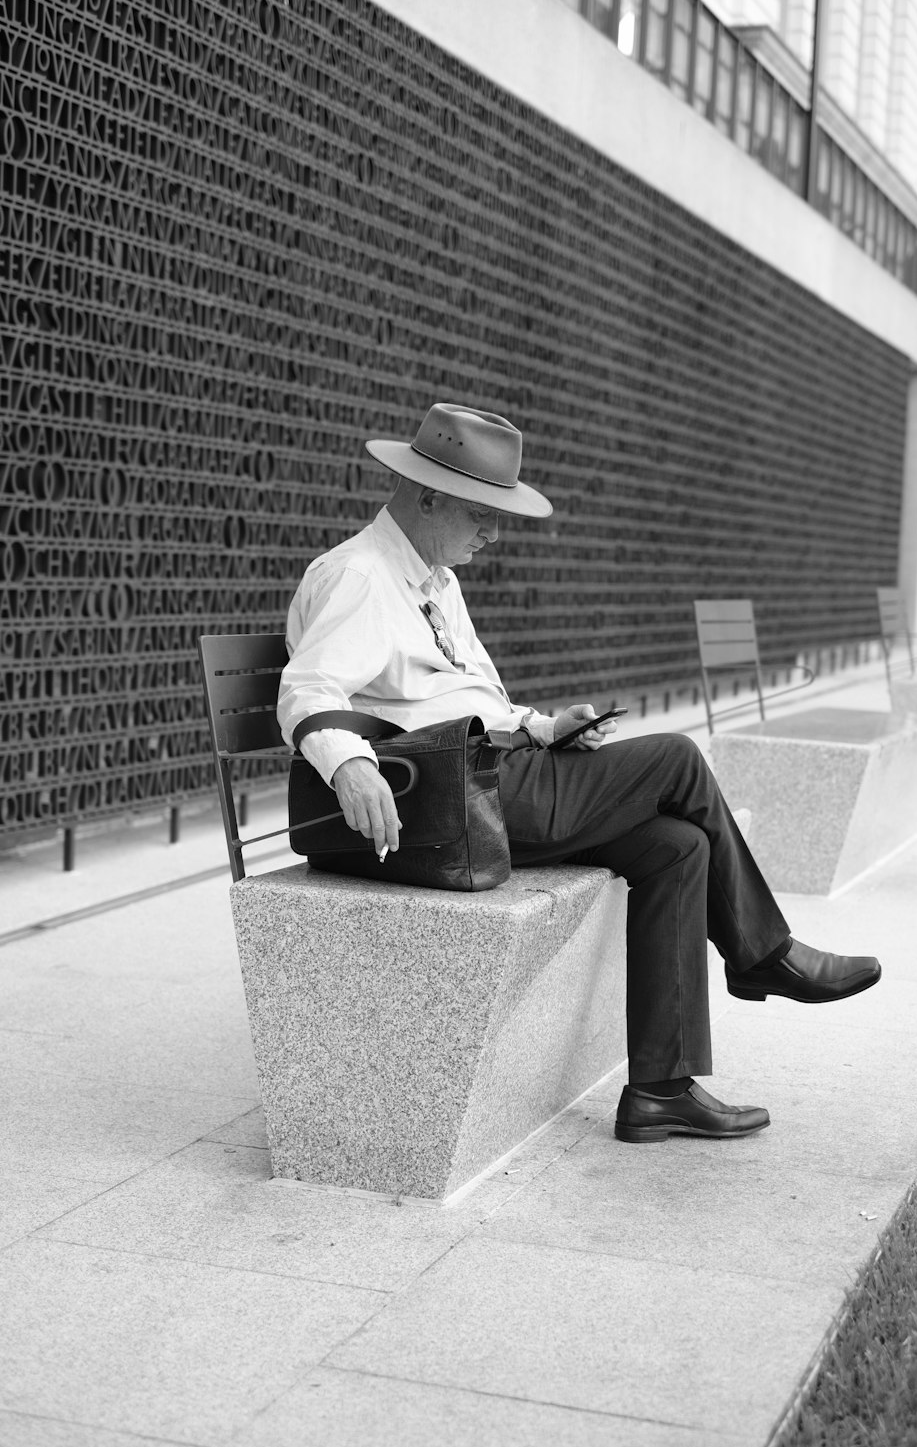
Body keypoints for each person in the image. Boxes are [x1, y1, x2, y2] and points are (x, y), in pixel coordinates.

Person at [277, 402, 881, 1143]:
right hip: (446, 807)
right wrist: (350, 767)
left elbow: (466, 699)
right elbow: (307, 687)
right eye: (480, 514)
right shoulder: (362, 577)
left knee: (677, 848)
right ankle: (764, 953)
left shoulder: (434, 581)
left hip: (489, 782)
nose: (493, 533)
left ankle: (660, 1090)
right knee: (677, 758)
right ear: (427, 495)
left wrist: (539, 726)